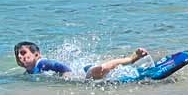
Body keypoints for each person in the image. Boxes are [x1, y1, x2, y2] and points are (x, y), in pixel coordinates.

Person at [13, 41, 164, 81]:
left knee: (99, 70)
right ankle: (130, 60)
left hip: (80, 75)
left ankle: (132, 58)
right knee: (101, 70)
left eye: (23, 53)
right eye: (18, 55)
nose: (20, 57)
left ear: (37, 54)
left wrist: (67, 75)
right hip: (83, 70)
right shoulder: (29, 71)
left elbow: (59, 66)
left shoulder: (42, 63)